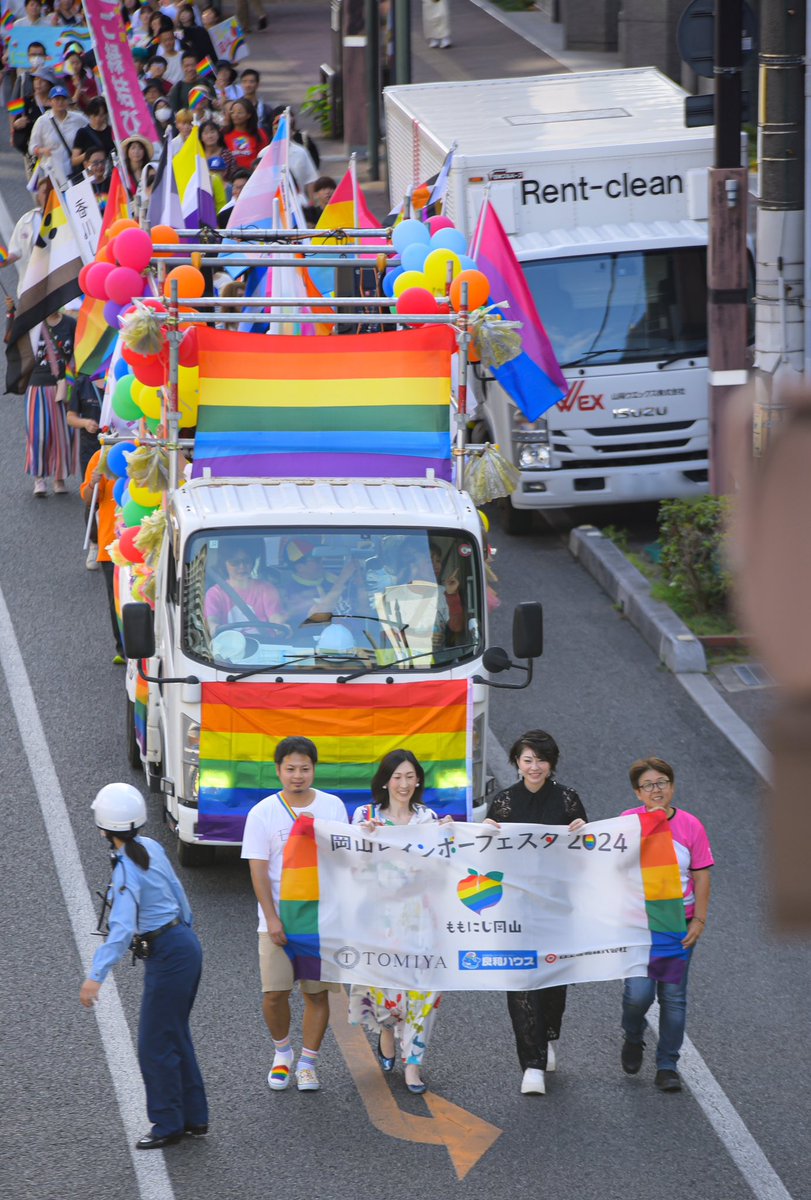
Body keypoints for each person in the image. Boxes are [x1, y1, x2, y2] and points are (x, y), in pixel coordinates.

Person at [570, 757, 713, 1093]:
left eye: (662, 782)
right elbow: (603, 858)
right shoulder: (626, 823)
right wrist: (582, 833)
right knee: (639, 995)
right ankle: (633, 1036)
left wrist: (701, 920)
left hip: (678, 921)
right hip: (635, 924)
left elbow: (702, 875)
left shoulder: (691, 826)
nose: (656, 789)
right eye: (648, 785)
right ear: (637, 793)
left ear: (673, 786)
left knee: (674, 997)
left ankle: (667, 1065)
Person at [80, 783, 209, 1149]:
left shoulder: (126, 869)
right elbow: (177, 890)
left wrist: (95, 977)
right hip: (183, 944)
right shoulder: (149, 847)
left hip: (168, 954)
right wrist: (185, 926)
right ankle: (193, 1117)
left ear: (105, 827)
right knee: (174, 1034)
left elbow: (120, 929)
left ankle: (167, 1124)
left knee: (154, 1043)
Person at [241, 736, 348, 1092]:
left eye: (304, 768)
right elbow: (258, 870)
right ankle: (282, 1053)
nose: (297, 775)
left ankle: (308, 1063)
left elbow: (345, 860)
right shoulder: (262, 813)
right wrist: (271, 918)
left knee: (317, 995)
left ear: (314, 769)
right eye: (290, 769)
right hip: (279, 918)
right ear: (278, 771)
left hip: (321, 921)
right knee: (274, 993)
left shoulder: (333, 807)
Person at [484, 729, 587, 1095]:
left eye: (541, 760)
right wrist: (483, 835)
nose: (534, 767)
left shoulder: (568, 800)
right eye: (527, 760)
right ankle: (531, 1064)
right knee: (521, 982)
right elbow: (486, 857)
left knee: (553, 982)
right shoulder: (505, 802)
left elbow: (587, 854)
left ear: (552, 763)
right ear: (516, 762)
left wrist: (583, 832)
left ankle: (547, 1036)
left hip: (557, 907)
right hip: (514, 909)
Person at [348, 749, 450, 1094]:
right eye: (397, 777)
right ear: (385, 781)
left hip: (422, 920)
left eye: (410, 777)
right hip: (378, 920)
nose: (404, 784)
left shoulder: (428, 818)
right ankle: (388, 1030)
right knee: (383, 992)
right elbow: (352, 866)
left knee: (424, 993)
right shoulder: (365, 816)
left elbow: (441, 871)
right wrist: (366, 838)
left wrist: (448, 839)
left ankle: (413, 1065)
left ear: (418, 780)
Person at [25, 307, 76, 497]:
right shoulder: (33, 325)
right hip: (37, 384)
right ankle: (39, 477)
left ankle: (59, 477)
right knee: (38, 434)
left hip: (64, 385)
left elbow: (77, 352)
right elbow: (14, 341)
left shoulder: (70, 323)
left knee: (62, 434)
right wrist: (12, 314)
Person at [80, 448, 127, 657]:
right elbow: (89, 499)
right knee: (115, 600)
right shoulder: (101, 457)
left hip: (142, 543)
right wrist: (93, 482)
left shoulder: (147, 452)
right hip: (110, 544)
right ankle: (123, 648)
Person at [204, 537, 284, 634]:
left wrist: (281, 626)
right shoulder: (214, 593)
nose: (242, 566)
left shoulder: (266, 589)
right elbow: (211, 620)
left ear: (252, 563)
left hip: (265, 646)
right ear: (224, 564)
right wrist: (213, 627)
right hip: (228, 647)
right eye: (235, 562)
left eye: (246, 561)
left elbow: (275, 617)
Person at [29, 84, 88, 185]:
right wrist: (42, 150)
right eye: (56, 99)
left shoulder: (78, 118)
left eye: (63, 99)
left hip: (74, 171)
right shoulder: (42, 121)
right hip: (51, 172)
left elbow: (91, 130)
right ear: (50, 102)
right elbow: (32, 147)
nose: (60, 102)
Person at [0, 176, 50, 293]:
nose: (48, 194)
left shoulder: (68, 217)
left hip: (58, 281)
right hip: (32, 285)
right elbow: (16, 251)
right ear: (38, 196)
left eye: (51, 191)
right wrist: (5, 261)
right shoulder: (27, 220)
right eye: (44, 192)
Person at [223, 97, 267, 171]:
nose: (235, 115)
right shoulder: (224, 133)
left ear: (248, 115)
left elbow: (264, 157)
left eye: (239, 112)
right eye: (232, 112)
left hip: (253, 175)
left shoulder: (259, 134)